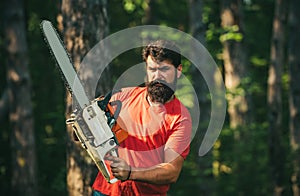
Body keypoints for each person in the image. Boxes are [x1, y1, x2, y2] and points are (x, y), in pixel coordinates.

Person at [92, 40, 192, 196]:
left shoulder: (180, 118)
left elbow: (171, 171)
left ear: (178, 70)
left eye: (164, 69)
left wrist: (131, 172)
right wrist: (85, 123)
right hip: (106, 191)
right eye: (152, 69)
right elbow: (84, 131)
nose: (157, 76)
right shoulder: (122, 97)